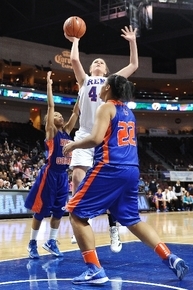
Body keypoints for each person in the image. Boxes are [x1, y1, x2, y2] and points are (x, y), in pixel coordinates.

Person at [63, 74, 189, 284]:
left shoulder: (106, 108)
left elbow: (95, 139)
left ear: (109, 89)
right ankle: (170, 257)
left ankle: (94, 269)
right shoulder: (129, 112)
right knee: (133, 220)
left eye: (104, 85)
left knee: (76, 213)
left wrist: (73, 145)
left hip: (110, 167)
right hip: (132, 169)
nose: (101, 89)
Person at [64, 25, 138, 252]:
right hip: (85, 133)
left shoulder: (111, 81)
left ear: (106, 70)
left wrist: (132, 41)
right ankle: (80, 220)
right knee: (77, 175)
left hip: (106, 135)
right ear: (90, 68)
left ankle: (113, 228)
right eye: (94, 61)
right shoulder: (84, 80)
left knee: (109, 187)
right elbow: (74, 60)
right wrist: (75, 39)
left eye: (100, 62)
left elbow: (134, 65)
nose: (97, 63)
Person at [25, 71, 79, 259]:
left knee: (58, 211)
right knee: (40, 211)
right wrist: (49, 85)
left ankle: (51, 241)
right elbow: (50, 105)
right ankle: (32, 244)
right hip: (49, 174)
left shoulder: (67, 133)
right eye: (56, 115)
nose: (59, 116)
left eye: (60, 115)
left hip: (63, 176)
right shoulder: (51, 133)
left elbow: (75, 112)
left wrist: (83, 91)